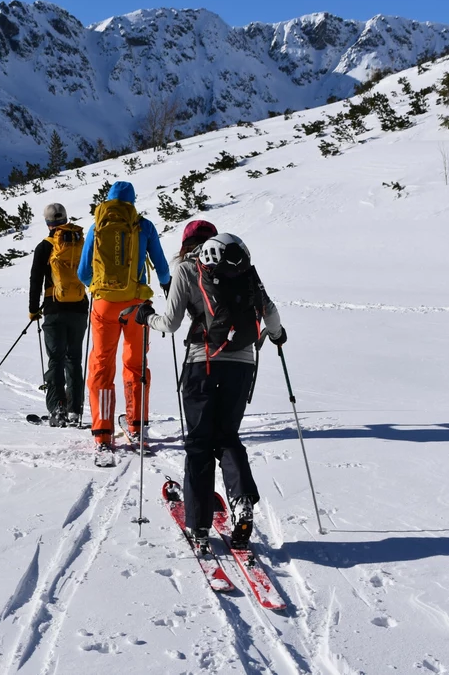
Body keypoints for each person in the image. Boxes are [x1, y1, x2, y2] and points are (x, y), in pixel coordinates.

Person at [135, 230, 286, 553]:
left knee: (200, 443)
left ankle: (200, 525)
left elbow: (171, 322)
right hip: (243, 364)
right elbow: (269, 311)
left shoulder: (188, 270)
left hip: (201, 364)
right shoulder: (243, 267)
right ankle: (242, 501)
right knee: (228, 436)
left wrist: (146, 316)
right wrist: (278, 335)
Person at [78, 181, 171, 461]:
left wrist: (100, 287)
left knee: (102, 363)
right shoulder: (144, 226)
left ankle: (103, 432)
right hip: (136, 307)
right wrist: (164, 284)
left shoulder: (97, 226)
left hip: (104, 306)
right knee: (135, 364)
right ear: (132, 201)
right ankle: (136, 426)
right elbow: (163, 267)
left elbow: (83, 273)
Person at [28, 203, 89, 427]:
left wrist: (33, 310)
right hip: (80, 308)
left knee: (56, 359)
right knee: (74, 359)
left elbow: (36, 280)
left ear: (47, 223)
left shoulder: (45, 246)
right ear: (65, 219)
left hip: (54, 308)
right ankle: (75, 410)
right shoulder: (81, 243)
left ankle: (57, 408)